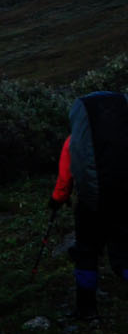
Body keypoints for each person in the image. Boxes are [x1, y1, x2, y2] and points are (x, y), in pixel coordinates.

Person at [49, 89, 128, 321]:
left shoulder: (75, 141)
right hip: (125, 200)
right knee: (124, 253)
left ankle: (86, 310)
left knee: (86, 253)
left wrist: (57, 199)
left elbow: (65, 177)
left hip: (91, 204)